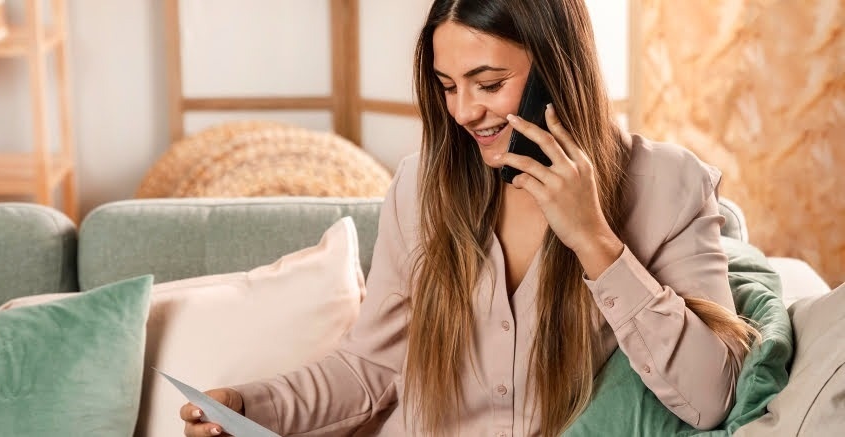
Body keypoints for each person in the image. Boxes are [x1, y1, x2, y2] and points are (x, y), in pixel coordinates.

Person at [181, 1, 757, 435]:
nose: (463, 111)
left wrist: (594, 240)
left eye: (489, 84)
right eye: (448, 86)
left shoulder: (669, 185)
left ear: (559, 67)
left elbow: (712, 397)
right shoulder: (422, 186)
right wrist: (248, 406)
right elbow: (370, 368)